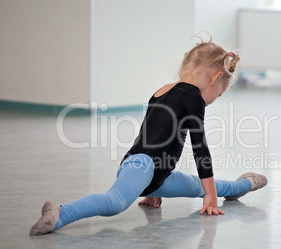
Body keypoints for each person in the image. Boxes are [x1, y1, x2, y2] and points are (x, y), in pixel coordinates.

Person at [30, 33, 267, 236]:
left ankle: (244, 184)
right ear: (216, 77)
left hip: (155, 173)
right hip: (142, 165)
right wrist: (211, 198)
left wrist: (151, 188)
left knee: (198, 186)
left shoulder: (163, 90)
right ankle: (60, 213)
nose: (215, 99)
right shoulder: (193, 95)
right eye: (219, 94)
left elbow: (153, 133)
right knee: (116, 202)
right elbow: (200, 148)